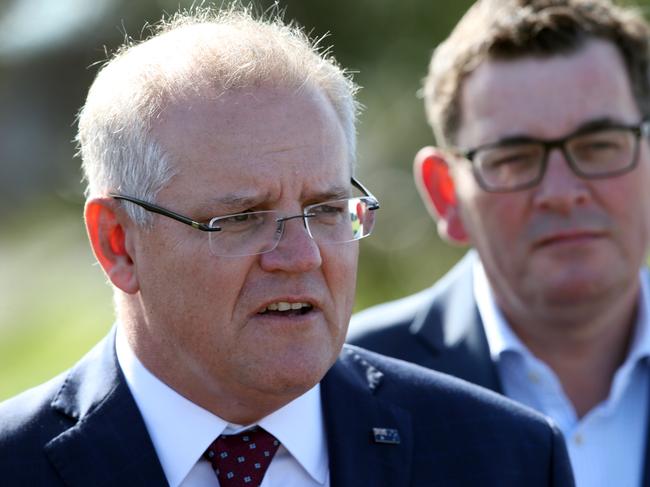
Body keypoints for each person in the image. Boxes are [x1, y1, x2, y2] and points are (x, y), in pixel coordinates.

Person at [0, 5, 574, 487]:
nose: (302, 256)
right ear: (118, 243)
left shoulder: (504, 457)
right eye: (243, 218)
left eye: (325, 211)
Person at [349, 0, 650, 485]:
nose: (561, 193)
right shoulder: (345, 387)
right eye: (514, 157)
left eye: (600, 145)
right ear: (446, 194)